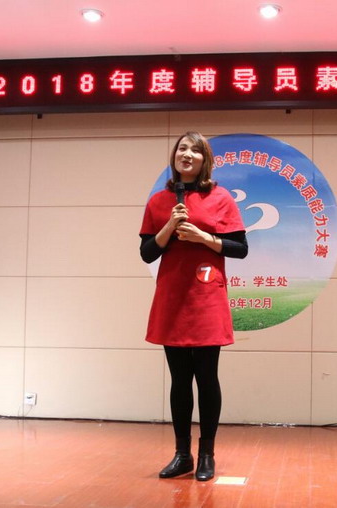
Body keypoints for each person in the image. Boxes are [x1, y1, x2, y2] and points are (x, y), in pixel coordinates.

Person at [139, 131, 248, 481]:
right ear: (175, 157)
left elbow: (240, 248)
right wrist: (170, 225)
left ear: (205, 160)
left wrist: (204, 238)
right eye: (181, 149)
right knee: (179, 380)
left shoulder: (220, 198)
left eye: (194, 150)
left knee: (206, 377)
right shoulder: (159, 201)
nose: (186, 154)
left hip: (206, 297)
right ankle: (182, 454)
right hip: (172, 296)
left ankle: (207, 455)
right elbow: (147, 253)